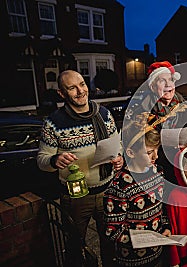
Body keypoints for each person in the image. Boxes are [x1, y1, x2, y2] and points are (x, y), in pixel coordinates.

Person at [37, 70, 124, 266]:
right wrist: (54, 160)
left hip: (107, 192)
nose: (80, 91)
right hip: (76, 197)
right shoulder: (53, 123)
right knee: (75, 245)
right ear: (62, 93)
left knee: (110, 243)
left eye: (82, 84)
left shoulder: (104, 114)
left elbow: (118, 145)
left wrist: (120, 158)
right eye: (72, 88)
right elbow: (42, 160)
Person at [125, 61, 187, 187]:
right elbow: (133, 142)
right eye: (162, 81)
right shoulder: (141, 110)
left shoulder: (185, 107)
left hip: (181, 164)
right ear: (152, 87)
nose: (168, 85)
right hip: (154, 165)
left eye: (171, 80)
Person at [104, 125, 171, 267]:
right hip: (132, 260)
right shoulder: (120, 186)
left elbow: (161, 208)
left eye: (157, 150)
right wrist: (144, 240)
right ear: (131, 153)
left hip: (157, 254)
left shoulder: (158, 172)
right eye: (149, 152)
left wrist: (166, 226)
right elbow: (113, 232)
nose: (156, 156)